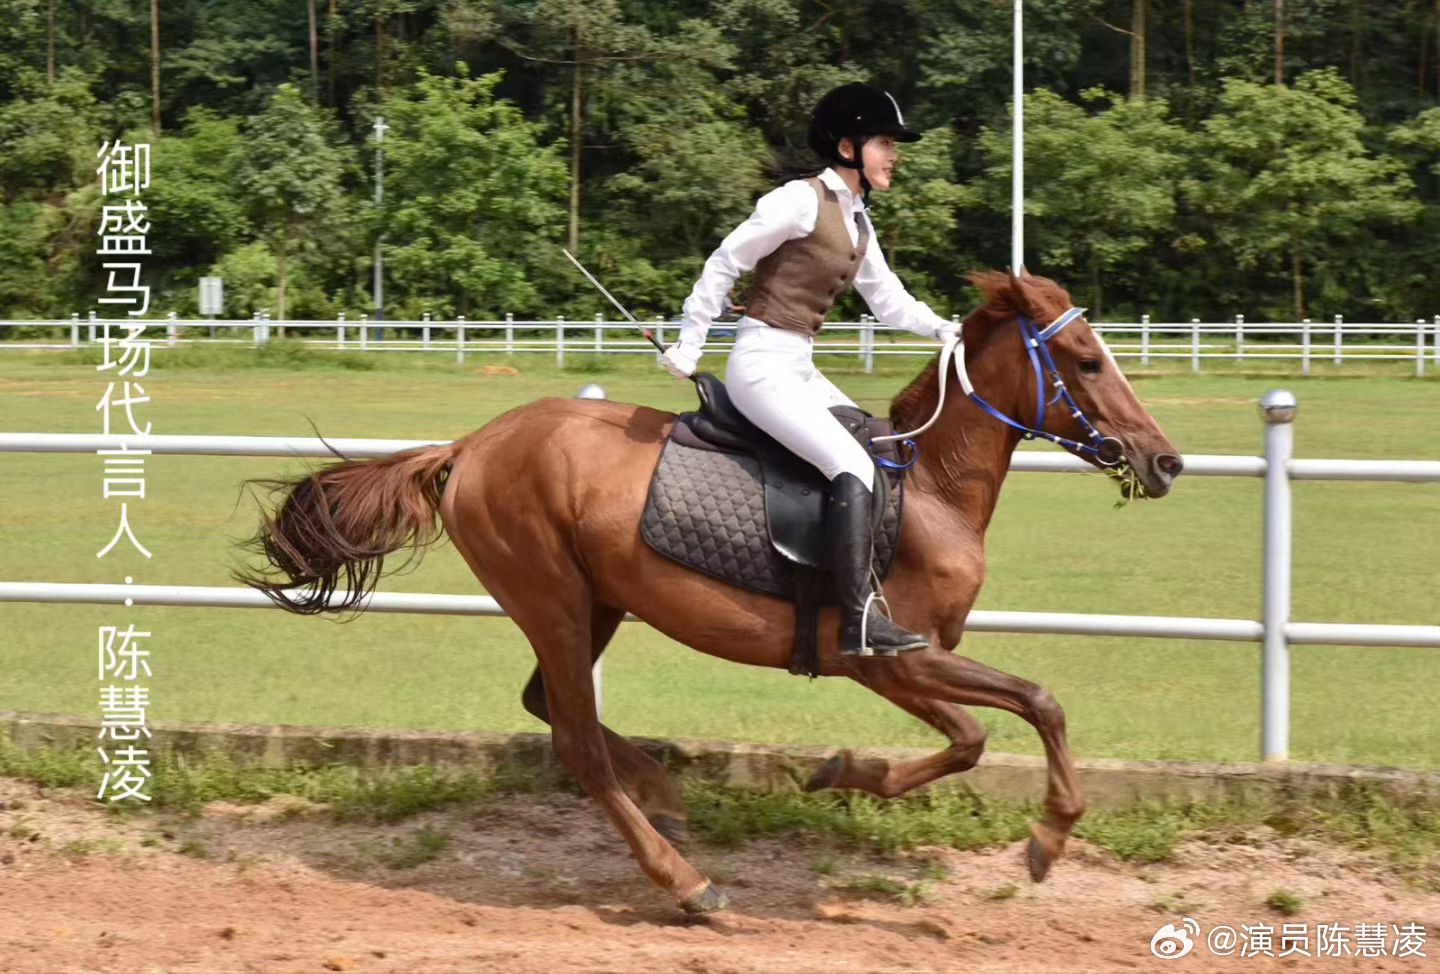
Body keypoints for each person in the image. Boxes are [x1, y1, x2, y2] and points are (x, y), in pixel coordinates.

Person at [660, 82, 960, 658]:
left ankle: (837, 584)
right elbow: (725, 262)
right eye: (884, 143)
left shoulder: (857, 223)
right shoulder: (797, 201)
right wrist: (690, 343)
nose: (894, 154)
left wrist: (949, 330)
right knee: (850, 463)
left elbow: (892, 303)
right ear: (847, 147)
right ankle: (855, 618)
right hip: (760, 365)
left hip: (798, 366)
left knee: (868, 442)